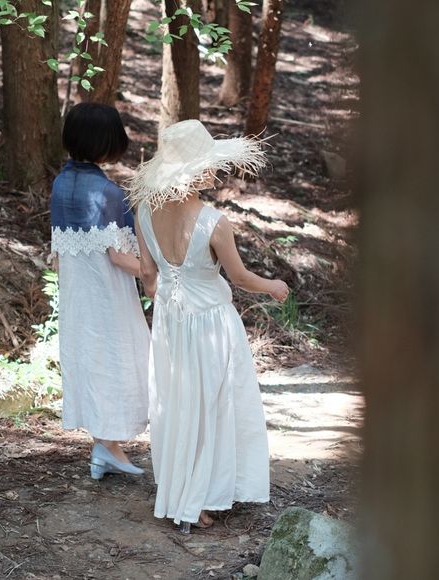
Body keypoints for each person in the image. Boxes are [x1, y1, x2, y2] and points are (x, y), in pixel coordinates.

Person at [127, 119, 289, 533]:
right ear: (196, 171)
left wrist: (165, 301)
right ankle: (197, 499)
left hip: (170, 321)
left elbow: (148, 274)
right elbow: (240, 278)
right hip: (211, 323)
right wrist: (272, 286)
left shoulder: (144, 211)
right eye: (210, 163)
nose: (215, 171)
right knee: (211, 405)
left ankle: (182, 490)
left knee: (177, 404)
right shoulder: (214, 222)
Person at [50, 103, 149, 479]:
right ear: (105, 142)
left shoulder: (60, 185)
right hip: (108, 296)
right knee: (120, 359)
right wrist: (161, 274)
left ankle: (105, 448)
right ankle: (108, 448)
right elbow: (121, 257)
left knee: (91, 361)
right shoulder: (108, 192)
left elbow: (59, 255)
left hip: (77, 296)